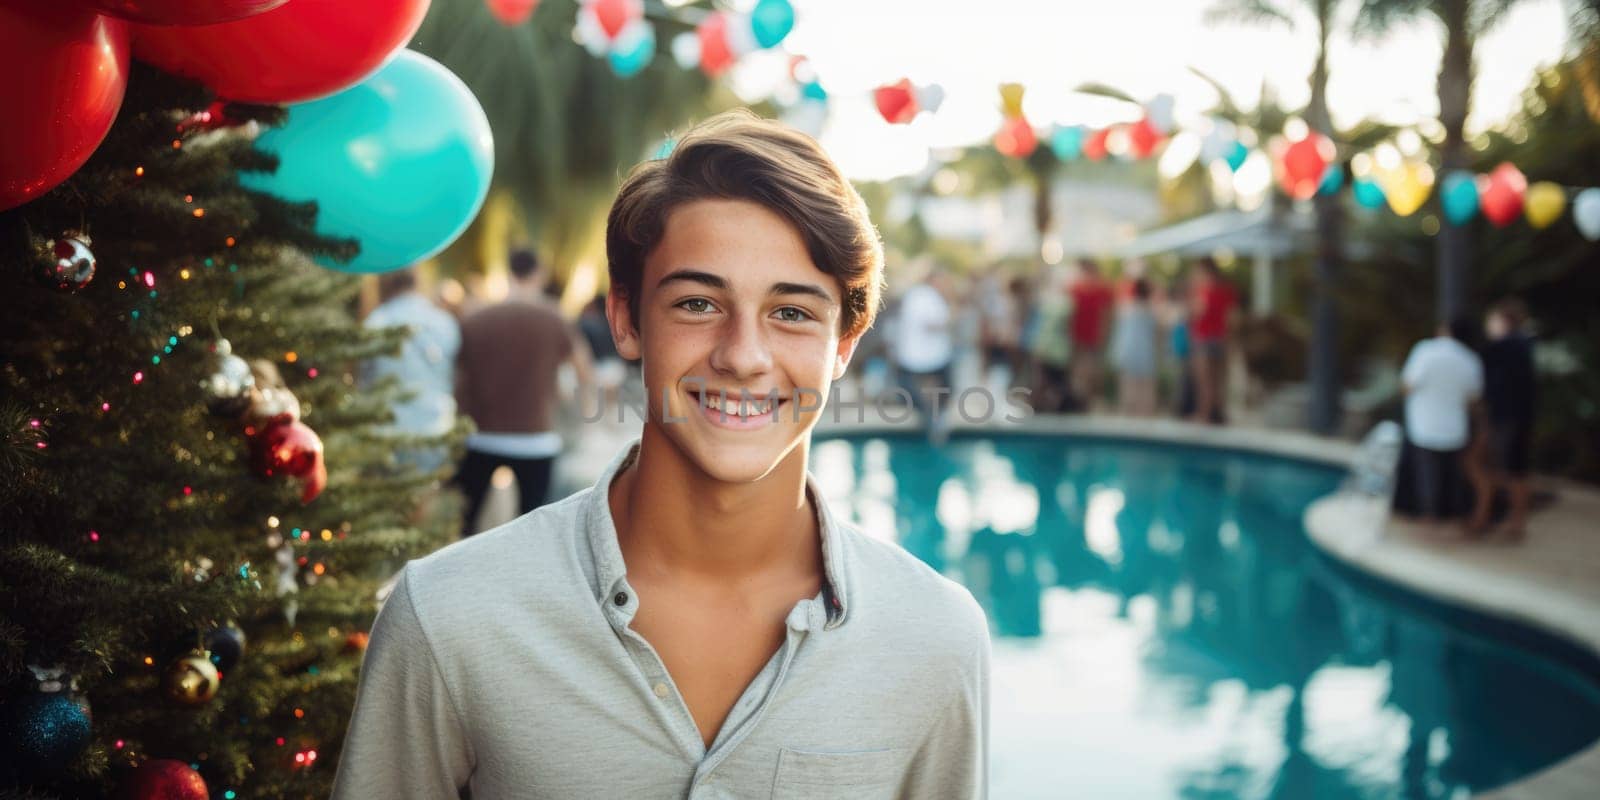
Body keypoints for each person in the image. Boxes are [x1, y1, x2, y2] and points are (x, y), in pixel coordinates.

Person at [332, 110, 991, 799]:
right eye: (699, 303)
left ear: (845, 344)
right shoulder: (447, 617)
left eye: (792, 312)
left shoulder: (937, 640)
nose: (743, 356)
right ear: (625, 319)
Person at [452, 249, 595, 536]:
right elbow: (584, 370)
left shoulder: (476, 318)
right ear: (538, 274)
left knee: (465, 529)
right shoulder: (555, 319)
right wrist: (580, 408)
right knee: (532, 532)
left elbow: (457, 373)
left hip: (479, 437)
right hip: (535, 439)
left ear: (508, 272)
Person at [360, 268, 461, 475]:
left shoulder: (377, 320)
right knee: (425, 495)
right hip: (435, 425)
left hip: (388, 429)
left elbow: (365, 376)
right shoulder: (444, 322)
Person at [1400, 317, 1484, 525]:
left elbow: (1407, 385)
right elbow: (1473, 399)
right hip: (1455, 428)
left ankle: (1429, 519)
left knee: (1426, 477)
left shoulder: (1426, 351)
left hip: (1423, 425)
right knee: (1452, 476)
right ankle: (1452, 518)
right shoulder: (1471, 359)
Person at [1471, 299, 1536, 539]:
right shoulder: (1523, 345)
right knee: (1512, 469)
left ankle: (1503, 520)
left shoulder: (1506, 346)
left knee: (1505, 469)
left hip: (1505, 419)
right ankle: (1502, 520)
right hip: (1516, 418)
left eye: (1492, 320)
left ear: (1504, 321)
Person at [892, 266, 956, 433]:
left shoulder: (916, 295)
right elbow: (931, 323)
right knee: (942, 387)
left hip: (918, 354)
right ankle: (933, 417)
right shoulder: (926, 296)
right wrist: (952, 319)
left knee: (921, 389)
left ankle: (931, 417)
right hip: (926, 355)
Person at [1188, 257, 1236, 425]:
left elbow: (1198, 312)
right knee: (1218, 381)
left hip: (1203, 339)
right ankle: (1219, 414)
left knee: (1204, 381)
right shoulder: (1226, 290)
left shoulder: (1204, 290)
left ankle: (1204, 416)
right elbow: (1231, 317)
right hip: (1220, 339)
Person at [1067, 259, 1114, 410]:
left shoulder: (1102, 289)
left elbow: (1106, 314)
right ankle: (1079, 401)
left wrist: (1104, 335)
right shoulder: (1075, 289)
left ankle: (1089, 400)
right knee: (1080, 371)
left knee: (1092, 371)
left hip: (1093, 337)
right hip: (1079, 337)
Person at [1110, 278, 1159, 416]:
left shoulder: (1127, 308)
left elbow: (1120, 334)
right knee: (1145, 390)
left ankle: (1129, 416)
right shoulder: (1150, 311)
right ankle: (1143, 417)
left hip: (1128, 351)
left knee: (1128, 389)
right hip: (1145, 353)